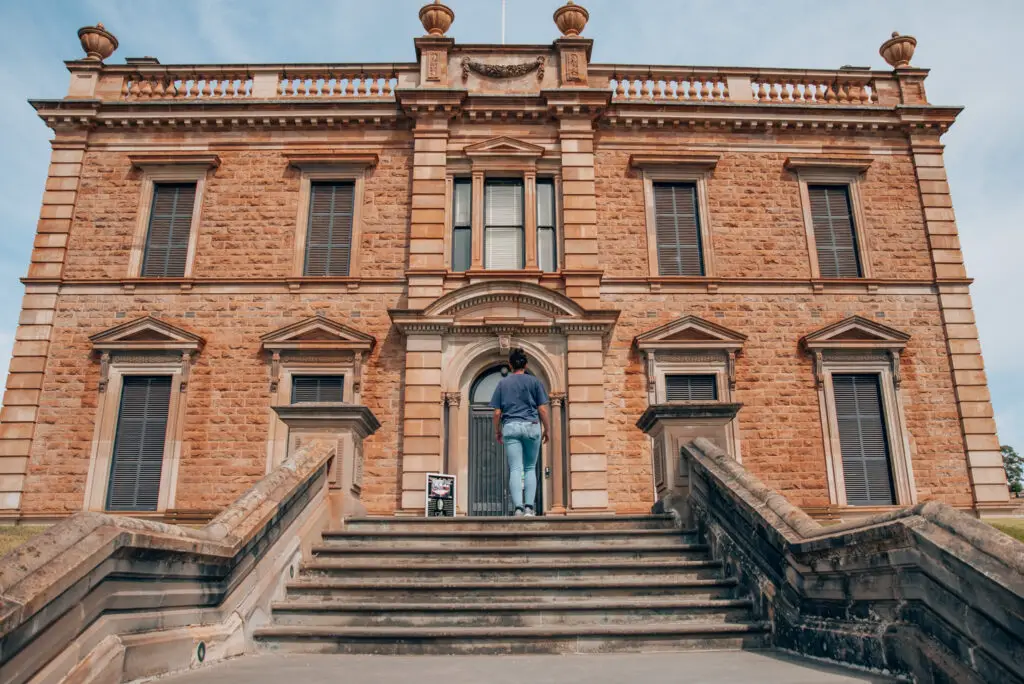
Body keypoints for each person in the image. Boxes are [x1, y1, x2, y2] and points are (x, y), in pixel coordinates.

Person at [489, 348, 550, 517]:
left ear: (510, 365)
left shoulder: (503, 384)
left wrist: (497, 431)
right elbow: (543, 410)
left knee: (515, 468)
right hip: (531, 426)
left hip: (510, 426)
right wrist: (548, 429)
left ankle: (518, 508)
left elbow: (496, 413)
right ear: (526, 364)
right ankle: (529, 508)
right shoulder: (535, 382)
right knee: (530, 467)